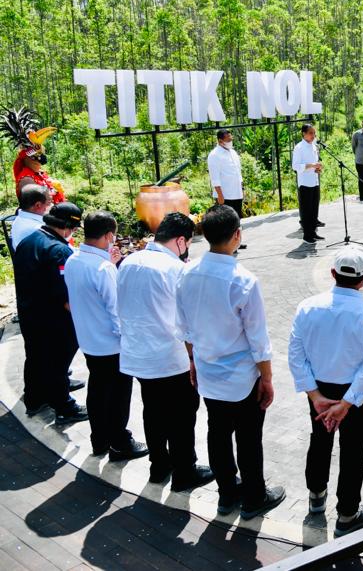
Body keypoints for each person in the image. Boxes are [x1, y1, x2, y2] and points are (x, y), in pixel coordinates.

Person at [176, 205, 284, 520]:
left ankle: (227, 494)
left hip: (208, 371)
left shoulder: (187, 273)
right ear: (237, 235)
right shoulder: (243, 280)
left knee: (217, 432)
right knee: (249, 438)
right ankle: (254, 496)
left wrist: (193, 360)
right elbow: (258, 339)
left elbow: (184, 327)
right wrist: (267, 378)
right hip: (242, 377)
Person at [289, 244, 363, 535]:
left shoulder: (308, 307)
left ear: (332, 273)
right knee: (353, 452)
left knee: (319, 441)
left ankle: (316, 497)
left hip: (320, 392)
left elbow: (296, 354)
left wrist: (315, 396)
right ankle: (347, 514)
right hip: (355, 396)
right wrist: (347, 403)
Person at [118, 212, 214, 490]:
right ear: (181, 241)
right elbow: (190, 318)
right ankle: (185, 470)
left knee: (153, 411)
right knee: (183, 415)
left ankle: (159, 466)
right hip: (171, 358)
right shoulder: (175, 269)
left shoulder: (129, 261)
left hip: (138, 354)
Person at [65, 211, 147, 461]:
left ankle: (99, 440)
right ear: (109, 235)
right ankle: (120, 442)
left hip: (89, 340)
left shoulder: (74, 260)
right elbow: (116, 312)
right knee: (118, 396)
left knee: (98, 391)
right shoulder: (102, 269)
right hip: (111, 344)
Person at [14, 202, 85, 422]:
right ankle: (64, 406)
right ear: (67, 227)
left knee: (35, 358)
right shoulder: (59, 250)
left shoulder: (29, 241)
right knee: (57, 363)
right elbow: (65, 297)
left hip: (30, 313)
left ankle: (35, 398)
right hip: (53, 320)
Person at [292, 123, 324, 244]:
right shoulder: (299, 147)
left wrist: (317, 168)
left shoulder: (314, 146)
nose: (313, 135)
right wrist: (312, 165)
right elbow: (295, 166)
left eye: (314, 133)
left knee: (314, 209)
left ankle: (313, 232)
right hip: (305, 183)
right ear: (304, 134)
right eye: (310, 133)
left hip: (314, 181)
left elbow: (314, 163)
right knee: (306, 210)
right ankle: (307, 235)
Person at [208, 129, 244, 217]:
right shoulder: (214, 155)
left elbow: (238, 173)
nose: (231, 141)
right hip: (225, 195)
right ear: (220, 141)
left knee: (237, 218)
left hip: (237, 193)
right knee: (227, 221)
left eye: (231, 139)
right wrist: (220, 196)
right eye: (228, 140)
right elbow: (215, 177)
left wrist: (242, 189)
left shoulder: (233, 152)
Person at [10, 183, 51, 251]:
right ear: (38, 205)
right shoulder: (36, 229)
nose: (52, 204)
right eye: (49, 201)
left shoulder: (21, 219)